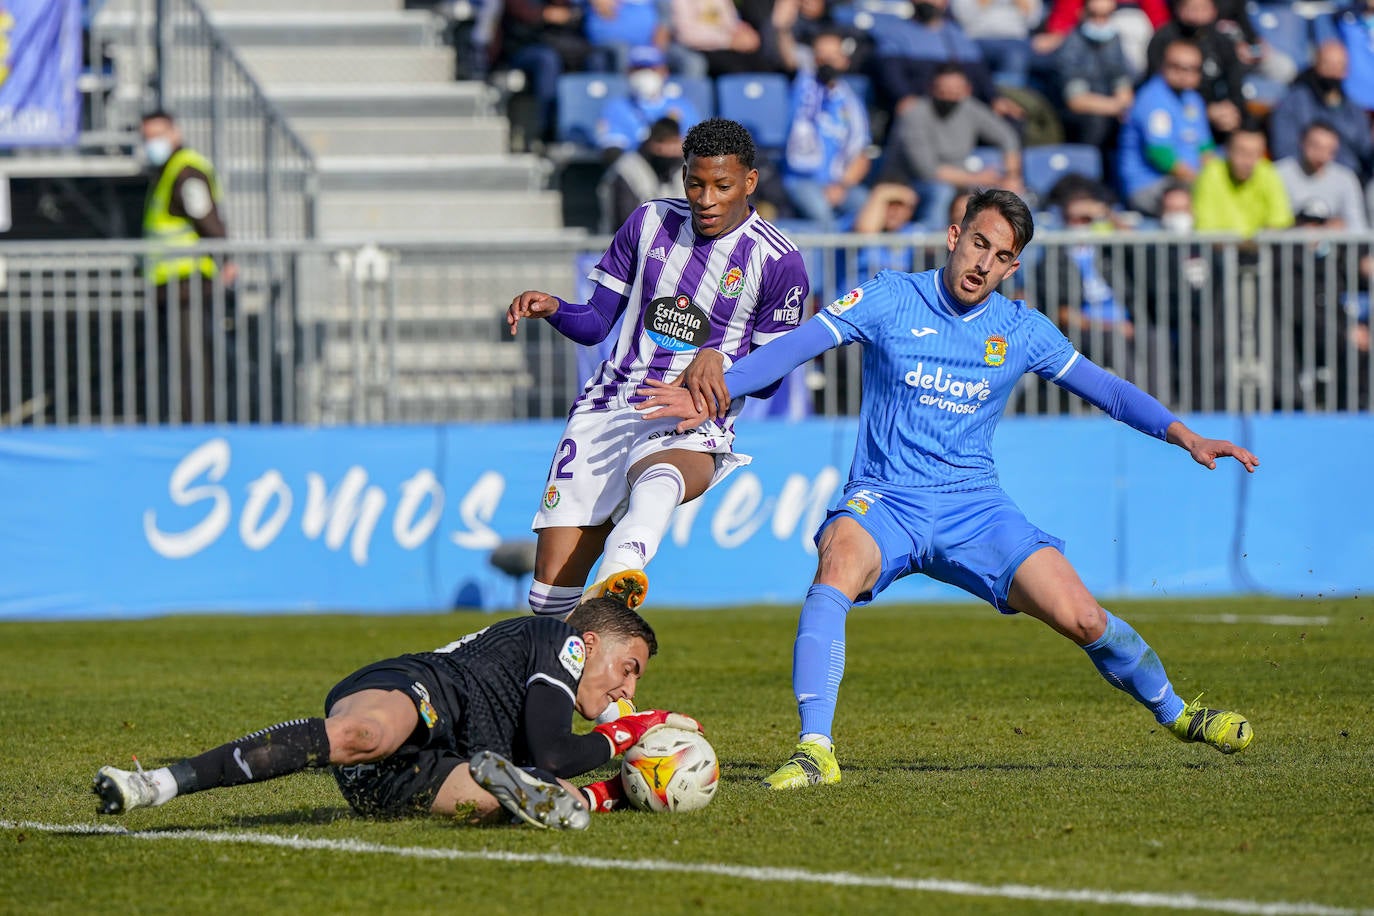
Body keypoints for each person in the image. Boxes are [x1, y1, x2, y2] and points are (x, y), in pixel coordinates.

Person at [637, 188, 1258, 790]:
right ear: (954, 236)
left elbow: (1110, 390)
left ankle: (1178, 712)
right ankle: (814, 750)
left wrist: (1185, 435)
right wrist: (713, 391)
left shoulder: (1023, 330)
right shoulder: (889, 298)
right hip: (885, 499)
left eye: (1001, 256)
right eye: (978, 244)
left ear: (1013, 265)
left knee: (1085, 616)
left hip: (975, 509)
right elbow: (797, 347)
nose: (983, 264)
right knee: (836, 568)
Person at [506, 118, 810, 618]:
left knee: (661, 473)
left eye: (722, 186)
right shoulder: (648, 222)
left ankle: (620, 571)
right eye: (695, 183)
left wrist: (723, 365)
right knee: (548, 601)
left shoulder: (778, 260)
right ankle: (591, 696)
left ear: (749, 182)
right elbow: (597, 322)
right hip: (609, 405)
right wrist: (554, 309)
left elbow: (772, 374)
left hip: (691, 411)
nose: (705, 198)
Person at [93, 598, 697, 829]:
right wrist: (630, 731)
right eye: (630, 667)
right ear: (591, 643)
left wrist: (624, 782)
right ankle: (157, 783)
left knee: (550, 797)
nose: (628, 687)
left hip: (410, 774)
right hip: (425, 689)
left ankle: (551, 795)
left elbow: (554, 761)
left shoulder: (562, 682)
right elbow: (554, 750)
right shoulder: (558, 643)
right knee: (365, 733)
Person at [141, 109, 236, 425]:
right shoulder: (167, 170)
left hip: (188, 283)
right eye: (147, 137)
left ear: (175, 133)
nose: (152, 143)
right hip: (171, 284)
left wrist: (226, 259)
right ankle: (186, 421)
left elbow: (206, 218)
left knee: (191, 361)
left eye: (157, 135)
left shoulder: (186, 171)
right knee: (179, 362)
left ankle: (197, 426)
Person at [872, 63, 1023, 228]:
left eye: (956, 89)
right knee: (941, 192)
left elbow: (1008, 138)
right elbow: (927, 170)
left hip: (959, 181)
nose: (950, 95)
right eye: (943, 90)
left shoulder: (970, 108)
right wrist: (977, 178)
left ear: (967, 89)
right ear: (931, 88)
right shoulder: (914, 114)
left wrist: (1011, 176)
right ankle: (931, 248)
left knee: (1009, 195)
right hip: (911, 184)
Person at [780, 29, 873, 231]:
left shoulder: (851, 102)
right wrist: (782, 24)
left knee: (867, 205)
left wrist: (841, 186)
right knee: (823, 216)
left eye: (833, 56)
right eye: (822, 56)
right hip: (801, 180)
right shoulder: (802, 83)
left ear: (844, 61)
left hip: (838, 182)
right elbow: (786, 50)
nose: (827, 61)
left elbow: (862, 153)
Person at [1116, 38, 1215, 217]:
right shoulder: (1152, 99)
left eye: (1192, 69)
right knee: (1194, 198)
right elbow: (1161, 156)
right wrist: (1204, 182)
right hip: (1149, 185)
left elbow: (1205, 148)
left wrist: (1215, 178)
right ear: (1163, 65)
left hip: (1188, 180)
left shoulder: (1193, 99)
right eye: (1176, 67)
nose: (1184, 74)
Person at [1049, 0, 1136, 175]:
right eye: (1094, 15)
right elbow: (1077, 101)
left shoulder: (1114, 39)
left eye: (1106, 15)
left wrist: (1126, 107)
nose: (1100, 21)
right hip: (1076, 117)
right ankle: (1090, 175)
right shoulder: (1071, 46)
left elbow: (1122, 82)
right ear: (1083, 14)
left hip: (1110, 108)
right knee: (1097, 123)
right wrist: (1118, 107)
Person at [1269, 41, 1374, 184]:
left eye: (1339, 66)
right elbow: (1284, 150)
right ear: (1316, 65)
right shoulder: (1294, 102)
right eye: (1328, 65)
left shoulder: (1354, 110)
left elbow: (1365, 150)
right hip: (1306, 177)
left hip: (1349, 181)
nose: (1333, 72)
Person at [1144, 0, 1246, 140]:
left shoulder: (1222, 42)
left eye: (1203, 8)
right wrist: (1204, 111)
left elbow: (1235, 83)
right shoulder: (1164, 40)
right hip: (1175, 121)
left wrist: (1232, 110)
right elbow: (1157, 90)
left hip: (1218, 120)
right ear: (1179, 9)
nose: (1197, 16)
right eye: (1192, 9)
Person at [1192, 121, 1293, 237]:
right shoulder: (1210, 173)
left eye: (1255, 153)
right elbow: (1205, 228)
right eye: (1242, 152)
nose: (1248, 161)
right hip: (1218, 252)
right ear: (1228, 150)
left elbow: (1280, 221)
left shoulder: (1268, 172)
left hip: (1260, 251)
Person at [595, 45, 702, 153]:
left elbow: (694, 146)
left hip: (675, 164)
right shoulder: (615, 108)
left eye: (652, 69)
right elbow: (612, 150)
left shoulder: (683, 107)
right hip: (635, 165)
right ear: (628, 72)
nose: (645, 75)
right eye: (639, 69)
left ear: (664, 72)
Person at [1274, 121, 1368, 232]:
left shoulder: (1346, 178)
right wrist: (1298, 229)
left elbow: (1358, 227)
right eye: (1315, 147)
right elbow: (1269, 224)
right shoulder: (1278, 174)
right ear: (1302, 142)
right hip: (1287, 247)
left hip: (1333, 247)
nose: (1321, 155)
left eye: (1330, 150)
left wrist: (1337, 229)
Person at [597, 116, 686, 233]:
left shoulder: (686, 167)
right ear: (651, 143)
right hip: (628, 244)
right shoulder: (626, 169)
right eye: (662, 143)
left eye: (674, 143)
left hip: (678, 243)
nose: (668, 150)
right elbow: (625, 223)